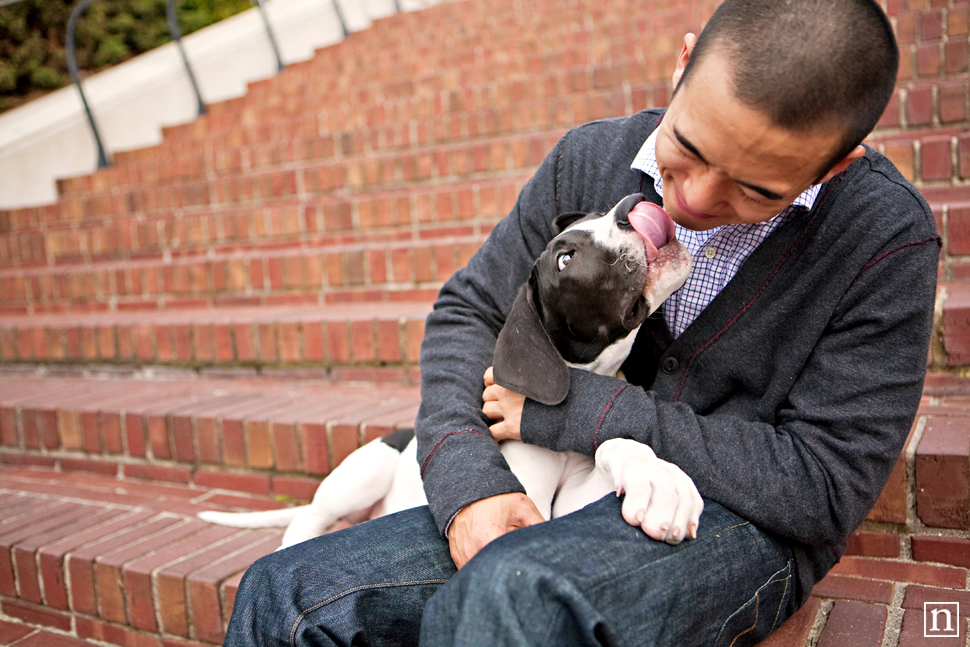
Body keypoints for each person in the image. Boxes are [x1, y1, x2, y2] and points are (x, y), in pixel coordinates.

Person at [224, 0, 940, 644]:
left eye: (756, 190)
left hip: (730, 523)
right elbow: (469, 311)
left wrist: (583, 411)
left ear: (835, 165)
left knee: (513, 598)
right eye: (687, 148)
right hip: (547, 491)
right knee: (282, 593)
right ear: (683, 60)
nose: (691, 197)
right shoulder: (590, 159)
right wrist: (471, 485)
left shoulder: (883, 239)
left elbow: (821, 485)